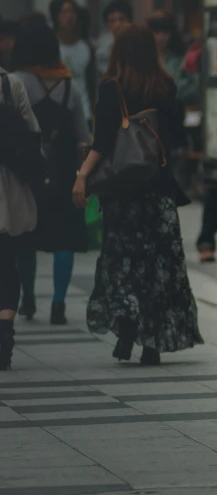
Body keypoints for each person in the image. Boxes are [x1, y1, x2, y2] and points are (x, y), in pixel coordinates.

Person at [72, 24, 203, 365]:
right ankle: (152, 342)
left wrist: (82, 176)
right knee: (157, 265)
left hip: (123, 192)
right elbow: (173, 139)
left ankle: (128, 327)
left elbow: (102, 142)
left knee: (124, 262)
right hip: (158, 189)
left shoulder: (112, 89)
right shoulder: (166, 87)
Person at [12, 23, 92, 325]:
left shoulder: (17, 81)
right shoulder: (69, 86)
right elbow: (84, 135)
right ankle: (58, 303)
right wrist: (83, 174)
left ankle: (28, 298)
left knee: (25, 238)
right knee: (64, 239)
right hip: (63, 175)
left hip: (27, 173)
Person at [0, 66, 41, 370]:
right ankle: (4, 337)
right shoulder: (10, 83)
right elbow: (32, 131)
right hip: (7, 185)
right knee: (6, 262)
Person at [49, 0, 96, 129]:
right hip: (58, 113)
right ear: (56, 16)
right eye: (65, 12)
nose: (70, 16)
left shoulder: (86, 47)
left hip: (84, 112)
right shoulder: (51, 46)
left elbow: (91, 84)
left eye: (73, 11)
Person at [146, 12, 198, 105]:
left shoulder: (179, 58)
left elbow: (193, 84)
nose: (161, 37)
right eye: (156, 32)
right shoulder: (143, 59)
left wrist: (177, 93)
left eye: (165, 32)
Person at [96, 0, 133, 77]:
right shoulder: (101, 47)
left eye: (122, 19)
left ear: (130, 21)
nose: (118, 24)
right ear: (107, 24)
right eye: (112, 21)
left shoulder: (137, 43)